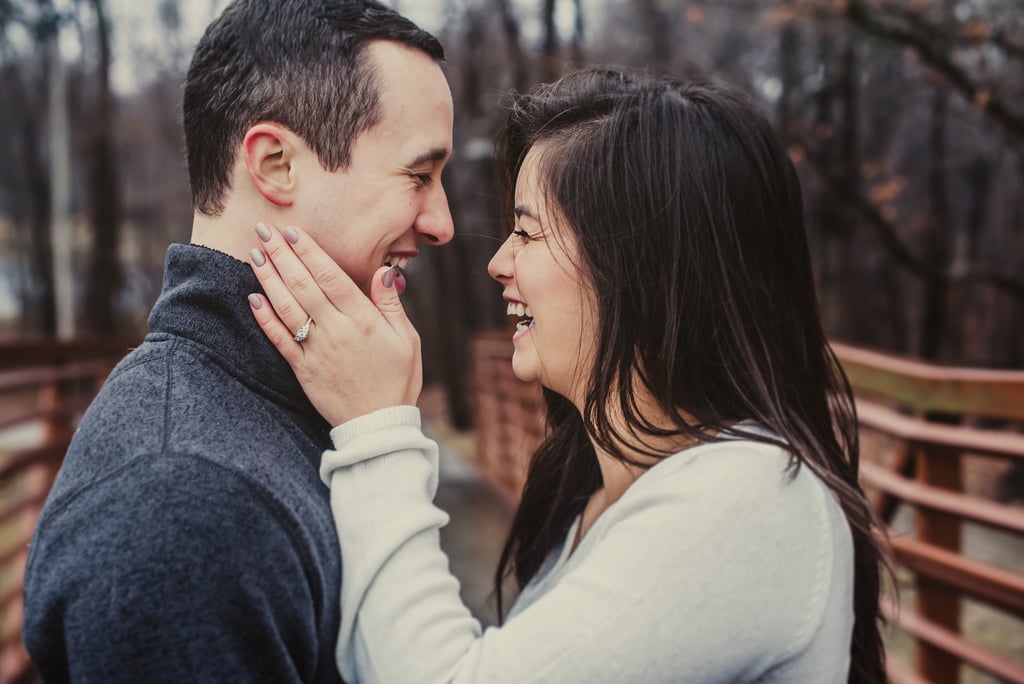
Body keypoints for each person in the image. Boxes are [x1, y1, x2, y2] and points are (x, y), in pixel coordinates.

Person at [248, 69, 889, 683]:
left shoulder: (752, 500)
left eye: (528, 233)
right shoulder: (604, 486)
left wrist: (374, 429)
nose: (499, 262)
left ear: (640, 267)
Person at [21, 1, 453, 681]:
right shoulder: (176, 509)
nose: (442, 223)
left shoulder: (302, 405)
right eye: (418, 175)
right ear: (276, 164)